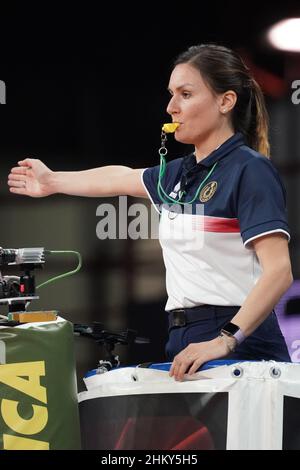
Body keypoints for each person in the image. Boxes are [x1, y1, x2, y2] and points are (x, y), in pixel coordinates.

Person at [8, 44, 293, 381]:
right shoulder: (178, 173)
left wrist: (226, 339)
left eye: (185, 94)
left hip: (240, 340)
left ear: (225, 101)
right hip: (182, 338)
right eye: (171, 94)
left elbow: (279, 272)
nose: (171, 107)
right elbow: (119, 176)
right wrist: (51, 180)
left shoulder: (250, 170)